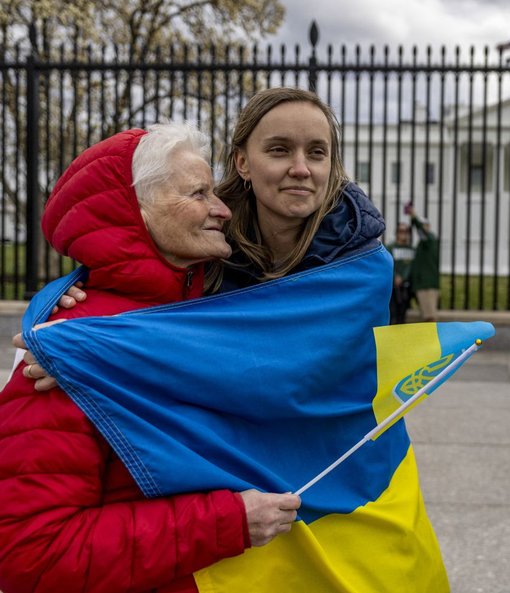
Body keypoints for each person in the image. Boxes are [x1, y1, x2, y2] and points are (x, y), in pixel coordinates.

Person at [16, 88, 450, 592]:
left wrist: (97, 352)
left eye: (317, 152)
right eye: (279, 149)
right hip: (246, 519)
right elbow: (129, 271)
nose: (300, 168)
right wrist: (55, 304)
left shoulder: (363, 265)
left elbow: (275, 367)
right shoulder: (210, 254)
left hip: (356, 480)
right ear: (242, 161)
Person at [0, 124, 301, 593]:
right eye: (198, 193)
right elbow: (32, 553)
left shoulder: (206, 314)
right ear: (132, 210)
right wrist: (226, 522)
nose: (222, 209)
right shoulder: (70, 347)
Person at [406, 204, 440, 321]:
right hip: (422, 284)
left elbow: (421, 231)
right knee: (427, 316)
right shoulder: (423, 244)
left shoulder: (429, 240)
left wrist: (414, 216)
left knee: (430, 317)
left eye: (424, 225)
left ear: (428, 226)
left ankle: (433, 339)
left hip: (427, 286)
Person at [386, 222, 414, 324]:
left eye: (406, 231)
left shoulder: (411, 249)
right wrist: (395, 277)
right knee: (393, 313)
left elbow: (411, 267)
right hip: (393, 287)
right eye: (401, 231)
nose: (403, 234)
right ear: (397, 233)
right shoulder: (390, 247)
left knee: (403, 314)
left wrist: (404, 277)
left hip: (406, 287)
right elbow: (388, 264)